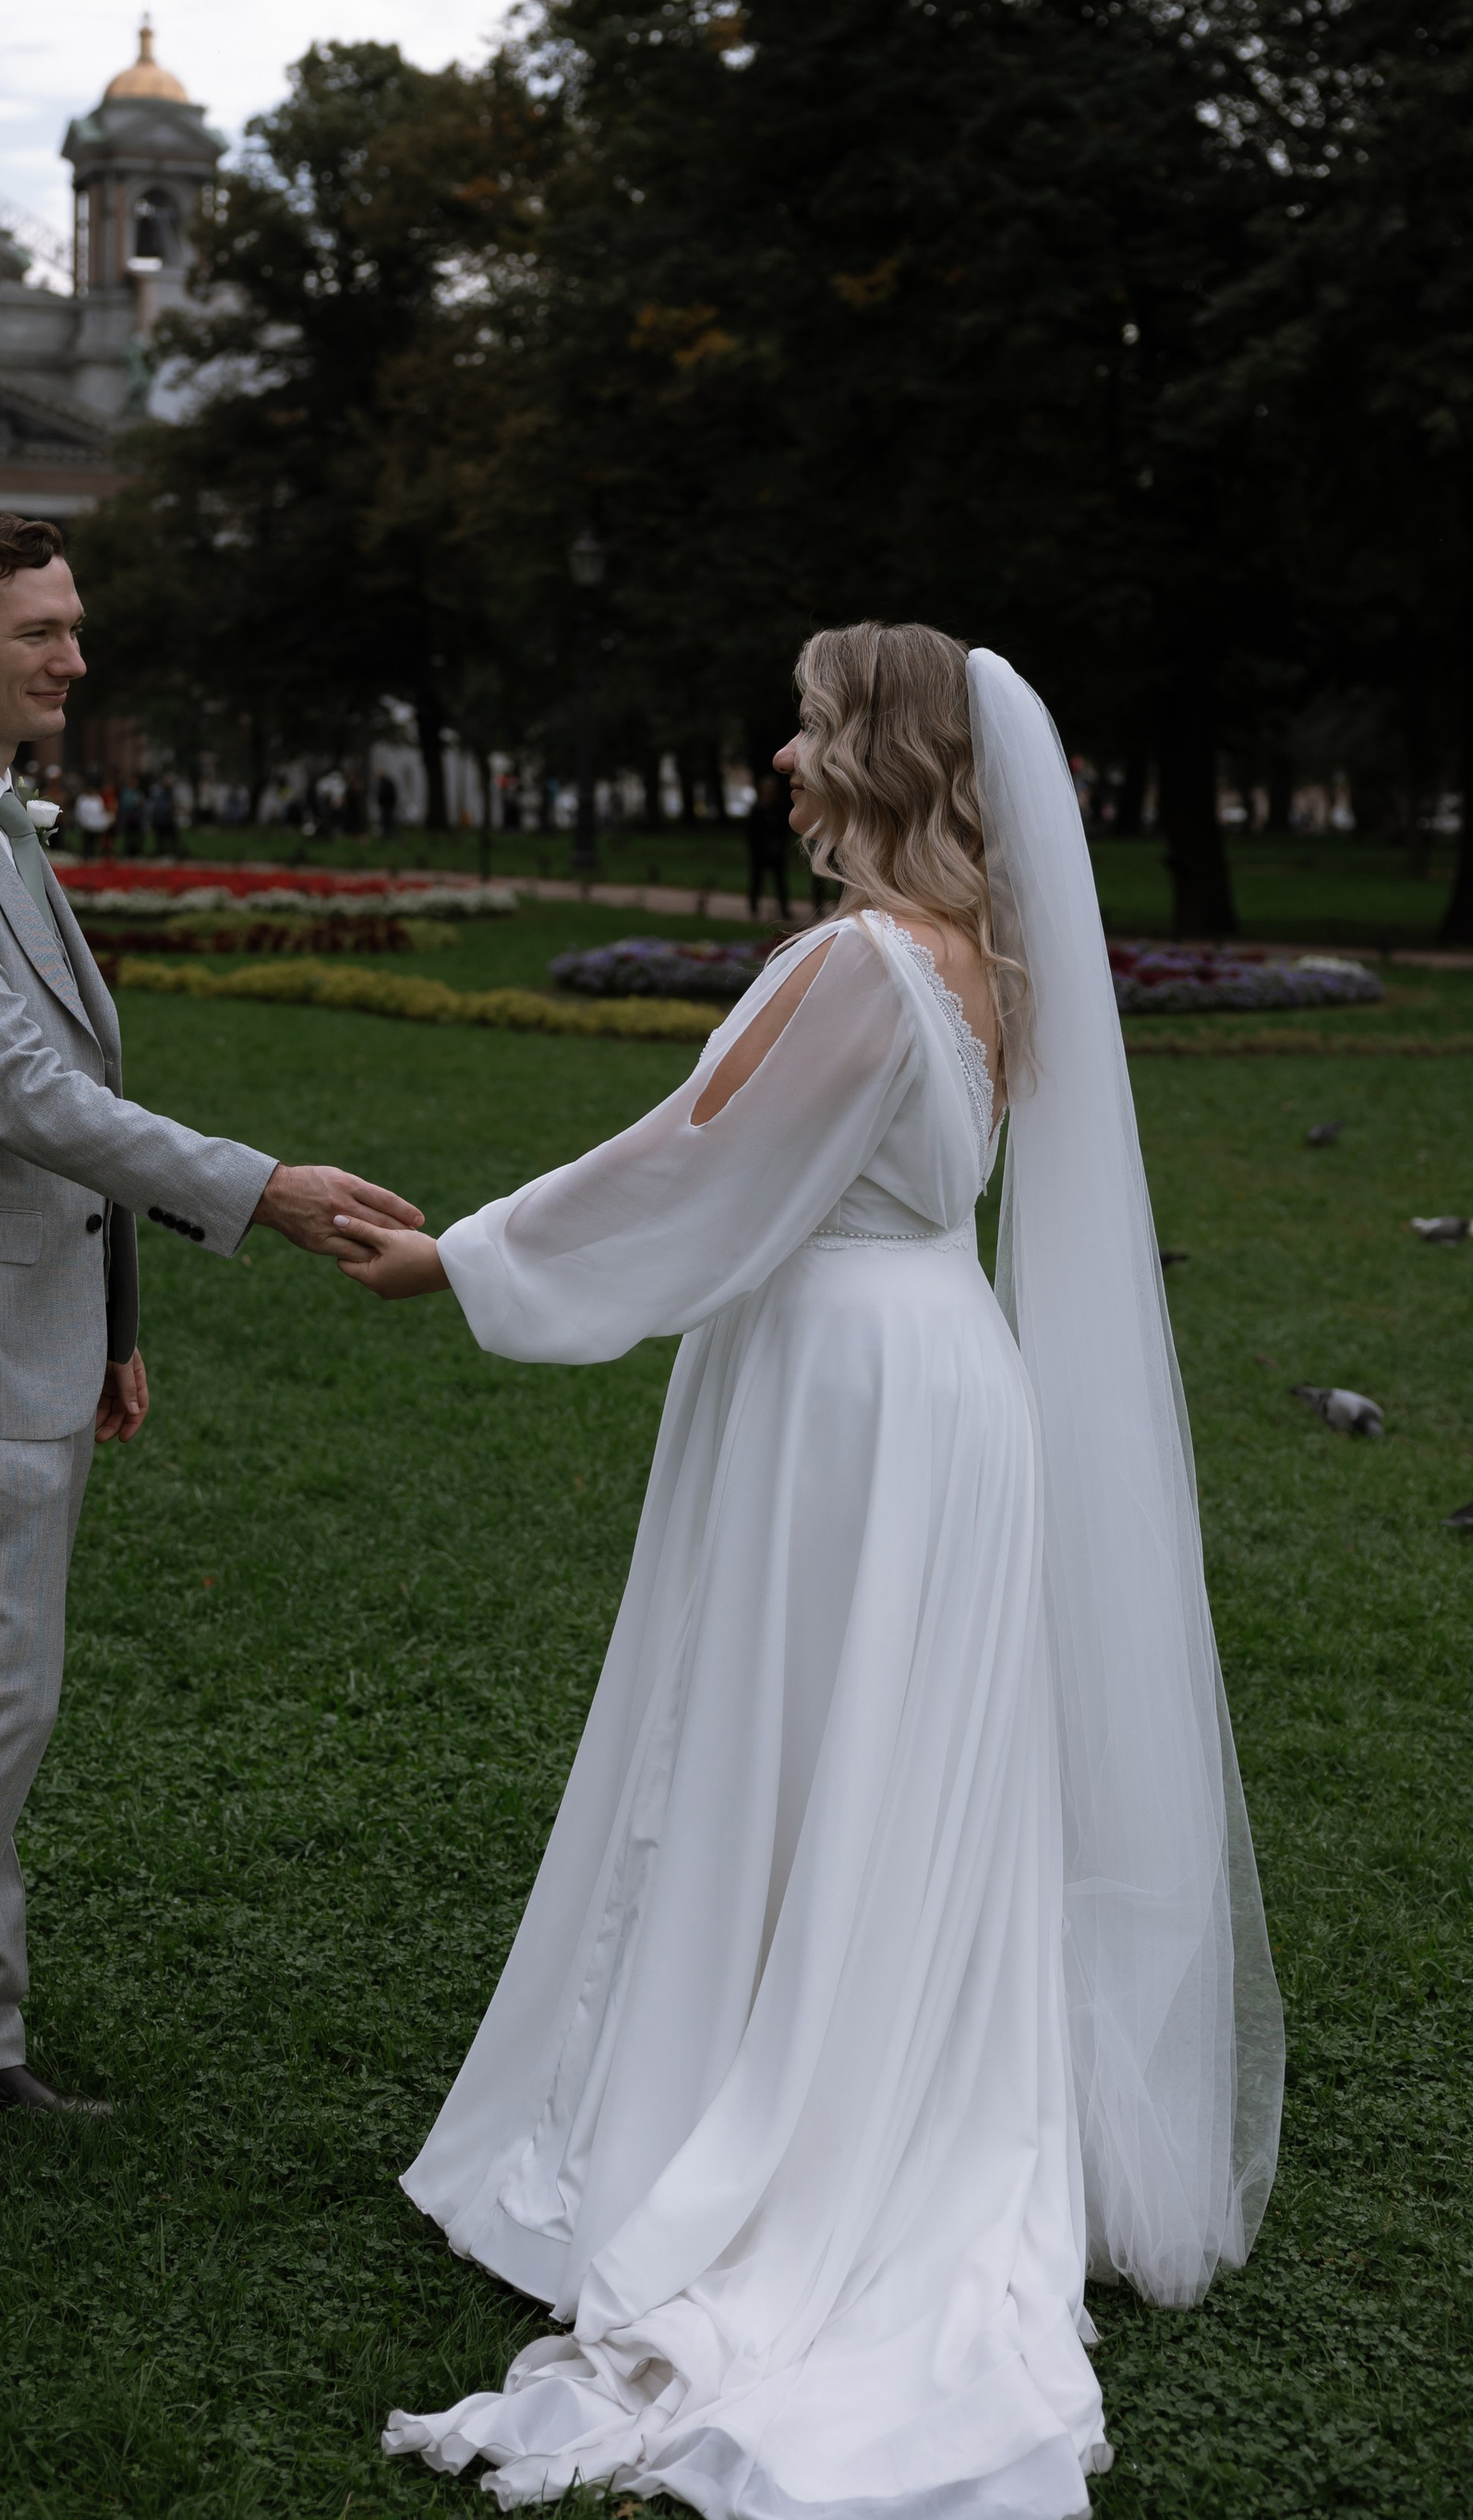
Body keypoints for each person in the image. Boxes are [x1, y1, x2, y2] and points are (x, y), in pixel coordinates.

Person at [337, 623, 1282, 2520]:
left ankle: (781, 2117)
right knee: (883, 1759)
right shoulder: (986, 960)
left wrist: (463, 1258)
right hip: (927, 1376)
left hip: (847, 1398)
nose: (776, 754)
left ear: (874, 753)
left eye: (803, 723)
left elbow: (689, 1165)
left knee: (806, 1738)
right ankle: (854, 2048)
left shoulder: (857, 961)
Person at [0, 509, 419, 2250]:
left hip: (19, 1306)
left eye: (74, 625)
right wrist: (251, 1186)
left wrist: (109, 1315)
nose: (70, 657)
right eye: (35, 629)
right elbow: (16, 1095)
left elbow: (44, 1082)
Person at [745, 763, 793, 920]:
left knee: (779, 881)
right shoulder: (757, 809)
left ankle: (784, 909)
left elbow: (784, 829)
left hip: (776, 850)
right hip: (760, 851)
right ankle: (753, 908)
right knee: (757, 881)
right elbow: (751, 833)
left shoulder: (778, 808)